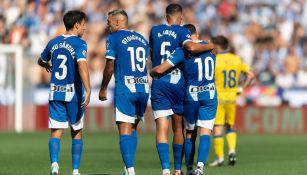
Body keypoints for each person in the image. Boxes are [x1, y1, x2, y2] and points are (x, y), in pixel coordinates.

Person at [149, 3, 214, 175]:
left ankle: (165, 170)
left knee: (161, 128)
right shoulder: (183, 35)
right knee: (179, 129)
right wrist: (210, 45)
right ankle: (179, 169)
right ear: (181, 17)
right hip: (179, 84)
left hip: (159, 83)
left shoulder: (154, 30)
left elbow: (152, 54)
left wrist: (153, 71)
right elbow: (191, 47)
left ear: (166, 16)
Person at [37, 10, 90, 175]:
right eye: (83, 25)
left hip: (56, 93)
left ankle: (54, 165)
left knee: (56, 131)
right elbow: (82, 66)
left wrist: (46, 64)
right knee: (76, 132)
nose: (85, 28)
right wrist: (88, 89)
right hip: (74, 94)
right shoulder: (80, 43)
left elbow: (41, 60)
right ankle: (75, 171)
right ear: (76, 25)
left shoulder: (53, 42)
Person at [98, 9, 149, 175]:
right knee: (133, 129)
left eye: (109, 22)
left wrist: (104, 87)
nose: (108, 26)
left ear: (119, 22)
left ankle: (131, 171)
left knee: (124, 130)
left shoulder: (113, 38)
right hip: (142, 88)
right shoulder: (142, 39)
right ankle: (128, 169)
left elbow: (110, 66)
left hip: (125, 88)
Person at [209, 35, 254, 167]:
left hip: (218, 98)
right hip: (232, 98)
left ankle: (220, 158)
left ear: (217, 46)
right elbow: (251, 75)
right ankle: (232, 151)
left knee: (217, 128)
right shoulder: (236, 59)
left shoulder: (214, 60)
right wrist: (241, 87)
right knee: (230, 126)